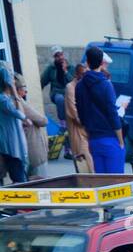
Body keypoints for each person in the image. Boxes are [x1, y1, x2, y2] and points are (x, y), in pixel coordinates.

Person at [75, 45, 124, 174]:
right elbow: (112, 113)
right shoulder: (106, 84)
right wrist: (121, 140)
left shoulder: (79, 86)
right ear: (102, 63)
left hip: (93, 138)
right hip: (110, 136)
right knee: (117, 184)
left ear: (87, 62)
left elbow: (81, 113)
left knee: (102, 182)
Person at [15, 76, 49, 178]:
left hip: (27, 150)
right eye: (24, 89)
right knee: (40, 183)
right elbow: (43, 121)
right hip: (33, 151)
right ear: (18, 90)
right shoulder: (20, 103)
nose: (26, 92)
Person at [0, 66, 28, 183]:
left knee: (22, 178)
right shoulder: (2, 99)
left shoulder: (9, 98)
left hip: (15, 144)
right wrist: (14, 91)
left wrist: (15, 94)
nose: (14, 80)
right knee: (20, 181)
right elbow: (19, 114)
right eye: (11, 77)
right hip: (11, 147)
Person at [64, 63, 92, 173]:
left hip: (87, 129)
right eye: (83, 74)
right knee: (83, 160)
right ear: (77, 74)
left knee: (89, 162)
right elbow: (73, 111)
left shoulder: (85, 86)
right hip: (78, 130)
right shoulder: (70, 87)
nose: (84, 77)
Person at [40, 47, 69, 132]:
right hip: (56, 92)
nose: (60, 57)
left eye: (61, 55)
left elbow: (73, 81)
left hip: (68, 92)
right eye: (57, 56)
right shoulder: (51, 68)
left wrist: (66, 71)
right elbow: (43, 81)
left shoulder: (70, 67)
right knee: (60, 99)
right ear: (54, 57)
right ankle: (63, 124)